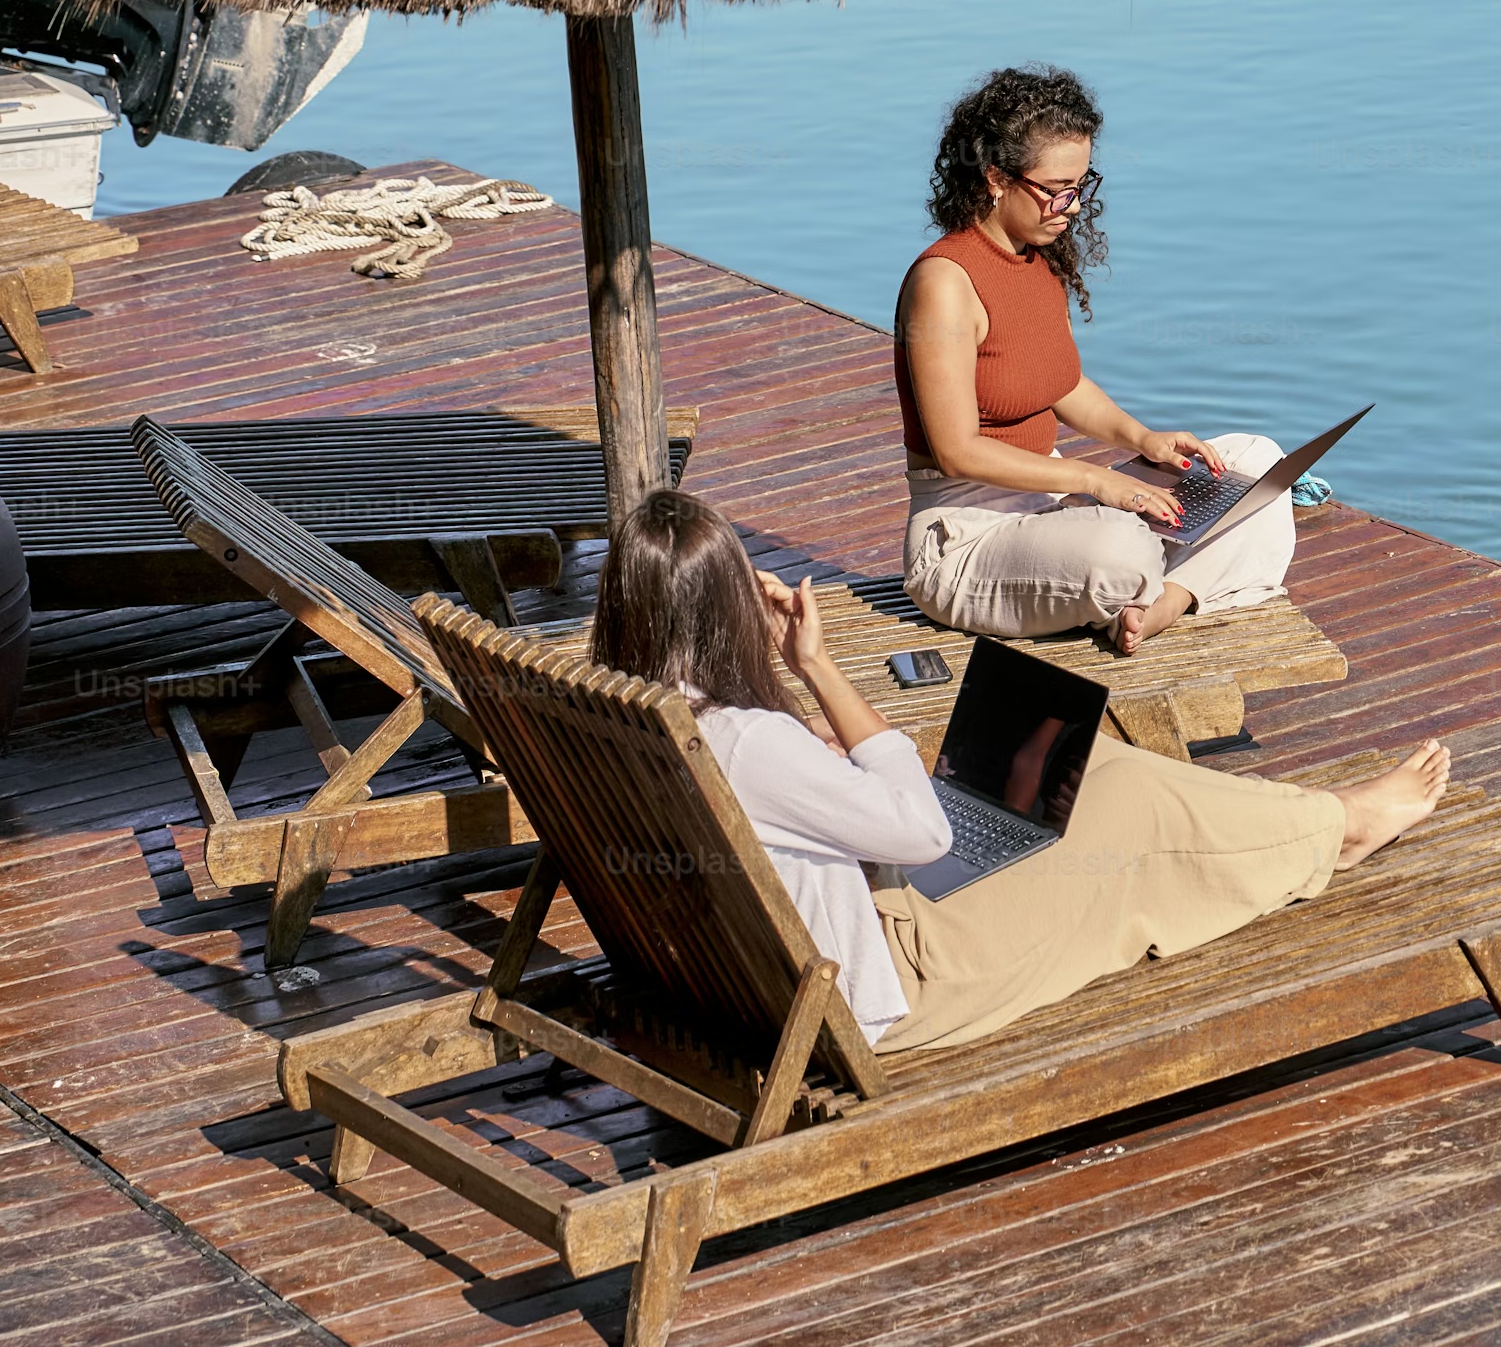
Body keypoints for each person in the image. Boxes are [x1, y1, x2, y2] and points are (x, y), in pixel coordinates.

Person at [589, 487, 1449, 1055]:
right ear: (726, 610)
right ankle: (1336, 828)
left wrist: (808, 738)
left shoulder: (621, 714)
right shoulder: (743, 741)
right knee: (1133, 802)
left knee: (1089, 760)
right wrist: (814, 665)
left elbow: (779, 793)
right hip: (887, 982)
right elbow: (922, 830)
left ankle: (1298, 821)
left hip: (748, 971)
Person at [892, 64, 1294, 653]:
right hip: (967, 537)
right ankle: (1160, 583)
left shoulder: (1037, 259)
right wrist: (1098, 481)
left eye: (1082, 185)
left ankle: (1161, 602)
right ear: (997, 178)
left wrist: (1143, 437)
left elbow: (1062, 384)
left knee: (1260, 464)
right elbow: (957, 451)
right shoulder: (944, 282)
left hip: (1053, 506)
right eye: (1057, 189)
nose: (1074, 206)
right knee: (1120, 549)